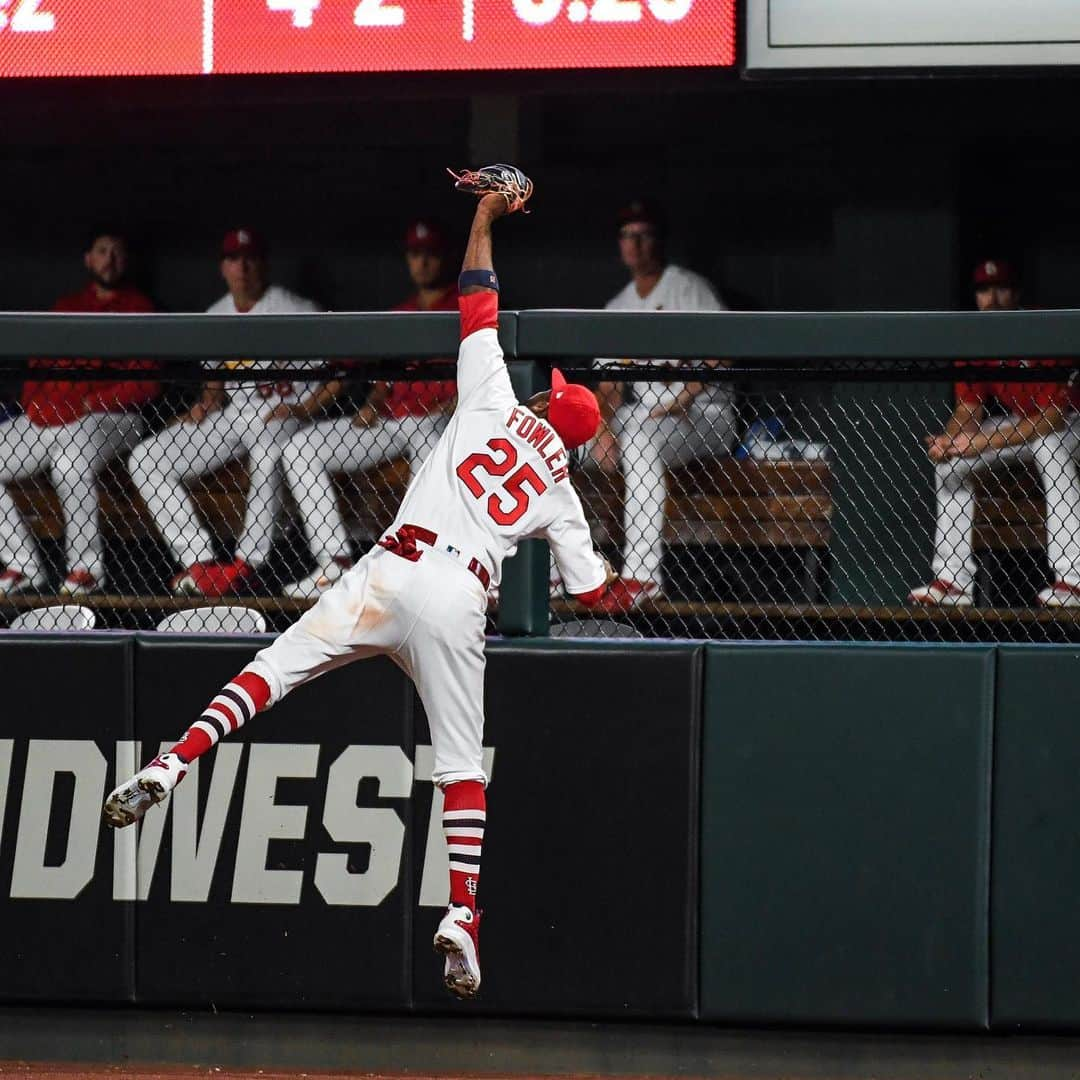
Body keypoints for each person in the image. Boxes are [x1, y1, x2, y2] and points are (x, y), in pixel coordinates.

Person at [103, 167, 615, 999]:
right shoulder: (562, 491)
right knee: (461, 765)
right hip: (458, 598)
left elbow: (478, 293)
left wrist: (486, 212)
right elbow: (592, 592)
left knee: (274, 668)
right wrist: (594, 576)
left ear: (546, 401)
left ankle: (174, 760)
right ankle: (461, 913)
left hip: (391, 565)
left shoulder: (491, 394)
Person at [128, 228, 340, 598]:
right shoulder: (217, 314)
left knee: (268, 446)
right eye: (233, 259)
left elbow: (342, 372)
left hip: (284, 413)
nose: (242, 266)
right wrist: (204, 405)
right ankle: (200, 561)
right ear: (222, 268)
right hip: (235, 416)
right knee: (146, 458)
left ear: (264, 264)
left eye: (250, 258)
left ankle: (248, 564)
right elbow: (215, 384)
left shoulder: (295, 308)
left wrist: (305, 408)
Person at [281, 219, 459, 599]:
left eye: (429, 254)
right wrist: (373, 402)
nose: (422, 262)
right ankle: (334, 562)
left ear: (444, 259)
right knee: (300, 446)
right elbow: (384, 377)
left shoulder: (463, 308)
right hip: (392, 422)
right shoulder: (401, 312)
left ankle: (415, 567)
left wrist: (454, 408)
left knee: (429, 441)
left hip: (438, 422)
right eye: (415, 255)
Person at [589, 199, 737, 614]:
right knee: (565, 442)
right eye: (626, 235)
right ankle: (557, 571)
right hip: (648, 419)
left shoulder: (688, 288)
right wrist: (599, 430)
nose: (634, 244)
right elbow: (609, 388)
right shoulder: (617, 307)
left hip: (705, 414)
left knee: (637, 436)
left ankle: (642, 575)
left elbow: (725, 351)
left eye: (644, 234)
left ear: (659, 241)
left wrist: (688, 393)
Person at [909, 258, 1080, 608]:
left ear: (1016, 293)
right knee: (950, 466)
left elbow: (1050, 419)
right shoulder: (974, 338)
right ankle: (952, 581)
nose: (993, 298)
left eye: (1001, 288)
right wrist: (952, 441)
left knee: (1049, 446)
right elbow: (968, 410)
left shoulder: (1042, 329)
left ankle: (1073, 580)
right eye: (984, 290)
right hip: (1024, 424)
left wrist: (979, 442)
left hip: (1071, 423)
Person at [0, 229, 159, 597]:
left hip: (115, 418)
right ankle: (22, 563)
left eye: (117, 252)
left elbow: (147, 385)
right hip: (57, 417)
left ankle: (86, 569)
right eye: (102, 251)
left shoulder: (138, 306)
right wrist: (36, 406)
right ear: (88, 259)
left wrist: (87, 405)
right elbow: (36, 373)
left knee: (70, 462)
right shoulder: (67, 305)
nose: (110, 259)